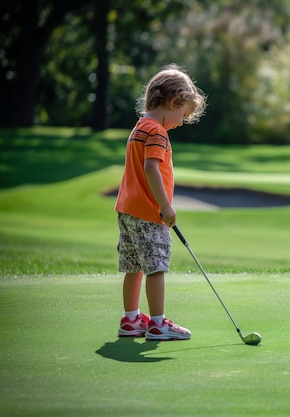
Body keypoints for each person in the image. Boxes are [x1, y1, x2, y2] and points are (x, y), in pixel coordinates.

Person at [115, 64, 207, 340]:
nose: (181, 121)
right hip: (148, 211)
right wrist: (165, 206)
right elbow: (151, 168)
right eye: (183, 114)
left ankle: (131, 319)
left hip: (127, 209)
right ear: (172, 101)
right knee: (155, 267)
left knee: (134, 266)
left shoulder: (139, 127)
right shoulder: (157, 131)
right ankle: (157, 323)